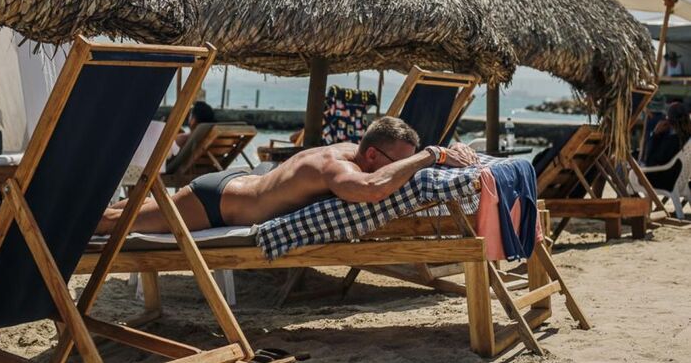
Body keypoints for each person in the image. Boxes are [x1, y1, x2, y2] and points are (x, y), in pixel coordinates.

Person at [97, 116, 479, 234]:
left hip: (241, 181)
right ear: (373, 154)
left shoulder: (356, 149)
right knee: (117, 222)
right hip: (217, 204)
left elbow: (388, 169)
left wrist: (441, 156)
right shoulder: (338, 168)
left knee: (128, 208)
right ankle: (53, 225)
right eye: (395, 161)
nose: (401, 167)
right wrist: (434, 155)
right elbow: (373, 188)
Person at [642, 102, 691, 190]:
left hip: (665, 181)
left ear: (669, 121)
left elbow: (649, 161)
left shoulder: (671, 141)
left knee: (626, 171)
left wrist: (654, 134)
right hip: (681, 180)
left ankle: (631, 202)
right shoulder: (687, 139)